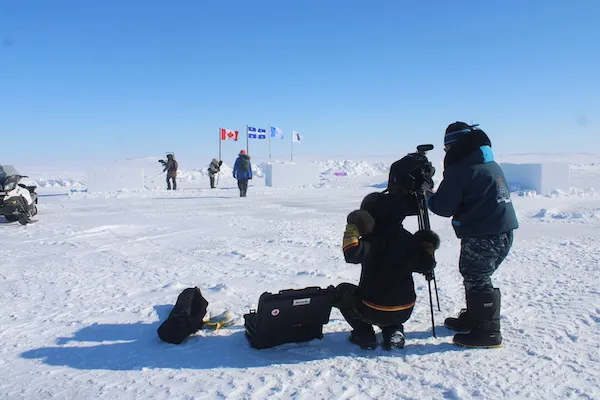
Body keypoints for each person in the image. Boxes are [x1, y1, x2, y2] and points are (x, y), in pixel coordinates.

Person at [426, 121, 519, 348]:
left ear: (454, 145)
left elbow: (444, 207)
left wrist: (428, 195)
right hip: (501, 230)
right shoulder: (488, 163)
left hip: (484, 232)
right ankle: (476, 317)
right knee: (474, 274)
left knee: (477, 277)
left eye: (447, 148)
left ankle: (488, 332)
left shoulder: (461, 169)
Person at [335, 191, 440, 350]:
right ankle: (393, 331)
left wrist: (353, 227)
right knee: (391, 301)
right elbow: (426, 265)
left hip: (371, 307)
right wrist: (427, 245)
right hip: (404, 309)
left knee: (342, 291)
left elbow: (351, 254)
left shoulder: (371, 240)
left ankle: (364, 333)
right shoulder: (410, 240)